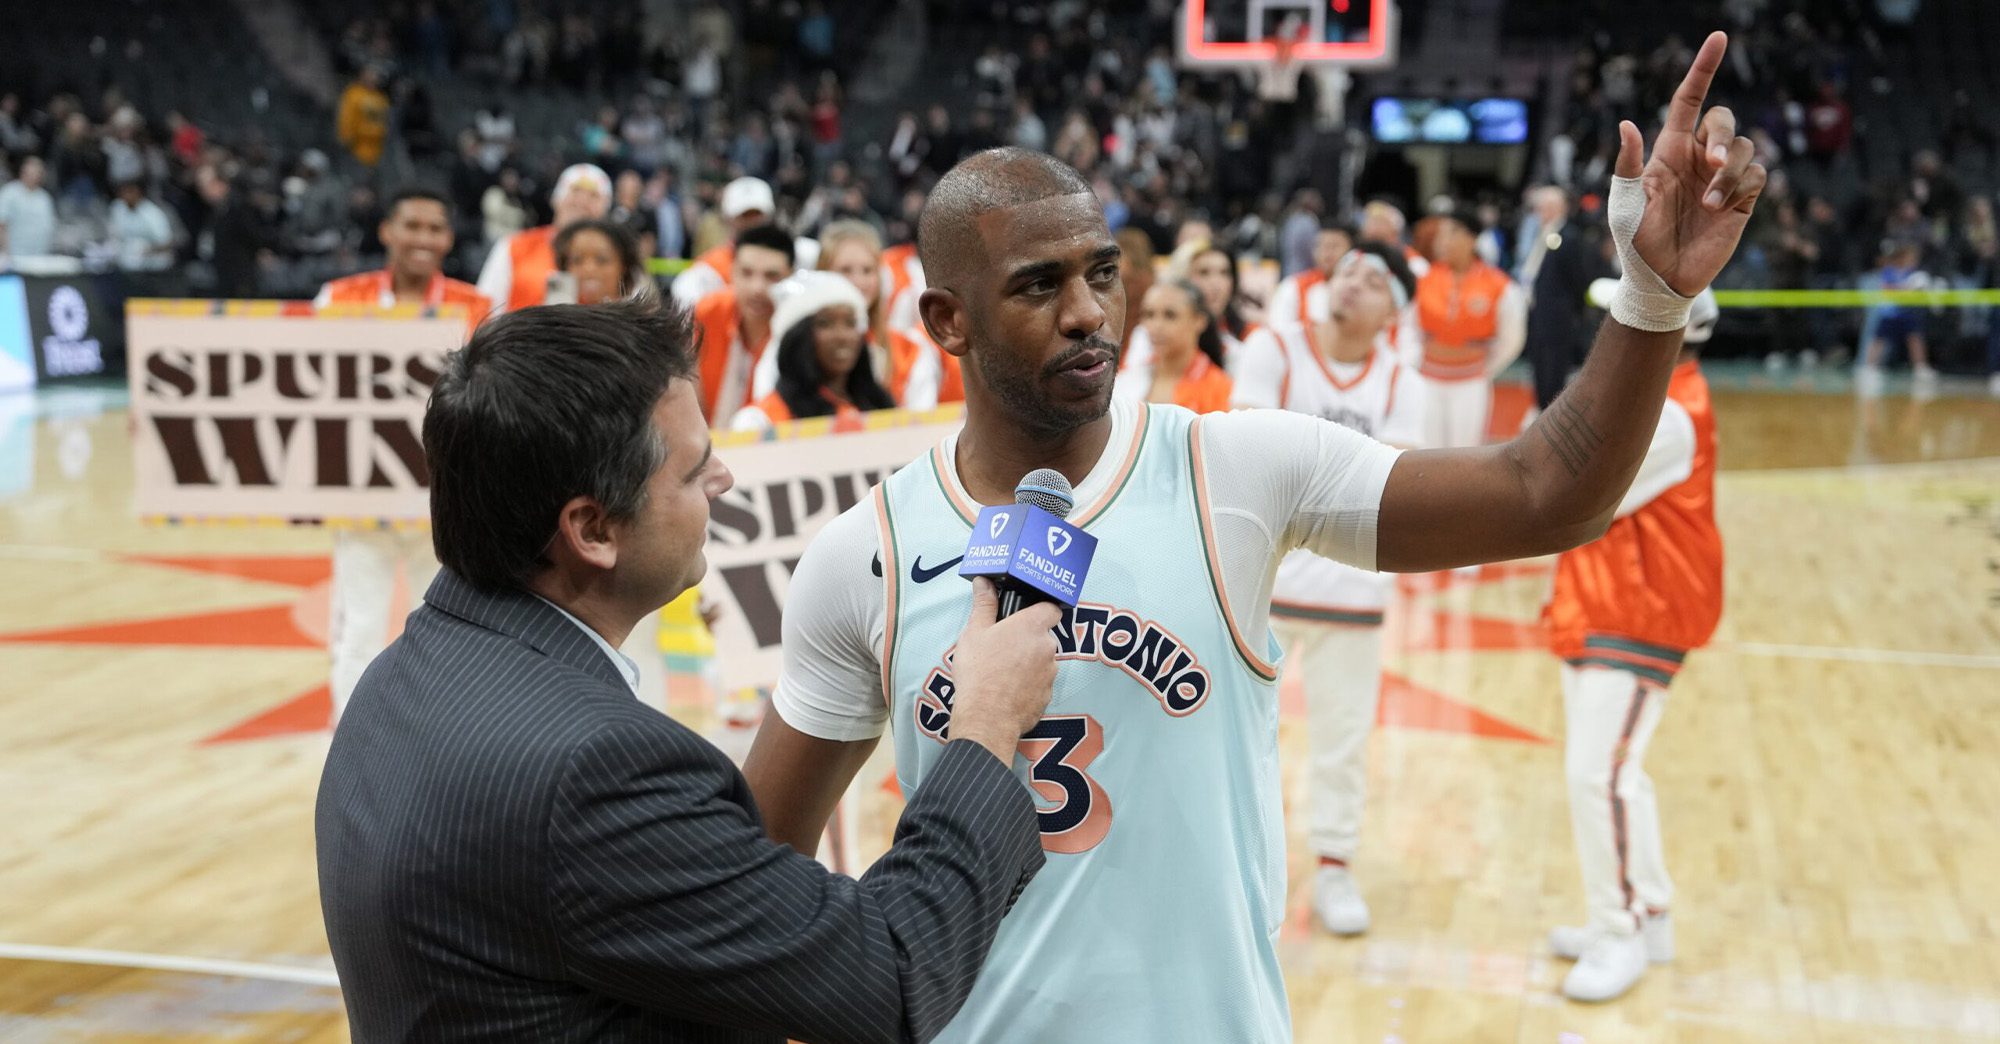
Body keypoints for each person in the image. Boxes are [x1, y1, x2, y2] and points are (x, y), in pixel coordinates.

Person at [743, 34, 1764, 1038]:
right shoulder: (861, 555)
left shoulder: (1231, 470)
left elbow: (1545, 492)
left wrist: (1651, 296)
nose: (1089, 313)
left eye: (1100, 273)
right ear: (944, 322)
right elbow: (754, 885)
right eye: (1037, 286)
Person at [318, 299, 1064, 1042]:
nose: (725, 479)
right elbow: (891, 979)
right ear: (593, 529)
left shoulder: (398, 680)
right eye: (694, 468)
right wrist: (986, 722)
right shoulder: (596, 773)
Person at [1230, 243, 1426, 937]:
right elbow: (1245, 457)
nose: (1354, 285)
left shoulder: (1404, 382)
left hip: (1354, 592)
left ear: (1393, 315)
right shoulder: (1274, 347)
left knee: (1343, 740)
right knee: (1242, 739)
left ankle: (1336, 867)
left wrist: (1303, 470)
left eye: (1375, 281)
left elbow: (1389, 487)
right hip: (1263, 587)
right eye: (1348, 271)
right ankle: (1244, 869)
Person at [1542, 288, 1723, 1003]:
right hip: (1605, 599)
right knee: (1618, 775)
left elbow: (1572, 494)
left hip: (1641, 610)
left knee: (1599, 776)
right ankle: (1645, 912)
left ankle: (1619, 930)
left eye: (1622, 320)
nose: (1607, 332)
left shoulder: (1671, 415)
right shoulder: (1654, 401)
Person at [314, 188, 492, 724]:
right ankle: (349, 748)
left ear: (449, 239)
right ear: (386, 230)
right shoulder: (337, 298)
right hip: (360, 493)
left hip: (443, 497)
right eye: (411, 226)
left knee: (440, 629)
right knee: (360, 627)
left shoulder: (476, 306)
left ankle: (431, 742)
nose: (423, 238)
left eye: (435, 228)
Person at [1412, 209, 1526, 447]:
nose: (1443, 241)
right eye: (1440, 234)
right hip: (1427, 379)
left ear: (1472, 238)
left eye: (1451, 233)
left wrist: (1485, 368)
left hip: (1470, 381)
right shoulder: (1424, 279)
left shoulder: (1498, 285)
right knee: (1425, 451)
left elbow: (1512, 338)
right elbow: (1410, 329)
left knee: (1464, 451)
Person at [732, 272, 897, 432]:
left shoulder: (879, 407)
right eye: (825, 323)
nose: (842, 336)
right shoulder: (760, 421)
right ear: (798, 337)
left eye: (850, 323)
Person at [690, 223, 794, 424]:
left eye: (772, 276)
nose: (757, 288)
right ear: (733, 271)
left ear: (790, 276)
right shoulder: (707, 313)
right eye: (747, 273)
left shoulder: (800, 329)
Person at [476, 163, 612, 314]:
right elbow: (484, 309)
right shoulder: (513, 246)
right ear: (556, 199)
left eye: (594, 196)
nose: (582, 201)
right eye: (575, 191)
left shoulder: (615, 260)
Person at [1521, 186, 1609, 411]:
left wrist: (1571, 312)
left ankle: (1549, 423)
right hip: (1539, 317)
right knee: (1540, 373)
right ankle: (1540, 416)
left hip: (1558, 323)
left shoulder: (1568, 237)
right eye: (1540, 208)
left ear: (1560, 209)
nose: (1542, 212)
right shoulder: (1542, 235)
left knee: (1553, 378)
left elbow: (1578, 279)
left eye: (1547, 207)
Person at [1112, 279, 1233, 413]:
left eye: (1170, 315)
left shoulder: (1220, 388)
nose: (1156, 326)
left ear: (1199, 321)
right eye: (1149, 314)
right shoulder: (1127, 377)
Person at [670, 176, 775, 306]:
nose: (752, 223)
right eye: (744, 216)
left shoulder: (791, 261)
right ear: (727, 219)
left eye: (758, 215)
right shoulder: (706, 272)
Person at [1857, 239, 1938, 393]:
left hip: (1906, 313)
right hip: (1889, 314)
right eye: (1910, 258)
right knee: (1878, 340)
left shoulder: (1913, 274)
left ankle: (1920, 367)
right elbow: (1887, 289)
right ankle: (1869, 368)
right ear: (1902, 258)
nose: (1913, 262)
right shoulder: (1889, 271)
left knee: (1915, 338)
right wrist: (1907, 288)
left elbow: (1918, 291)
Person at [1267, 222, 1355, 330]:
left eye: (1334, 246)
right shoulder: (1293, 286)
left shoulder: (1358, 290)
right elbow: (1278, 329)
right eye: (1321, 246)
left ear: (1351, 251)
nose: (1326, 253)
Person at [553, 218, 649, 304]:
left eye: (602, 260)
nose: (588, 269)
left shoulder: (641, 319)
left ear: (624, 265)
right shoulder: (552, 315)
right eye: (577, 260)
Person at [0, 156, 56, 262]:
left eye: (38, 173)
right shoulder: (10, 192)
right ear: (23, 172)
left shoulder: (44, 197)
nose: (34, 177)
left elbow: (49, 225)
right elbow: (2, 224)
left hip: (40, 256)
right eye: (30, 173)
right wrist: (4, 253)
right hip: (14, 257)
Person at [335, 65, 391, 169]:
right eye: (370, 75)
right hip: (356, 145)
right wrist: (346, 138)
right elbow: (346, 117)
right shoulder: (354, 93)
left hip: (376, 148)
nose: (373, 79)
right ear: (362, 75)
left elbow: (385, 121)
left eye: (375, 76)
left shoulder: (381, 98)